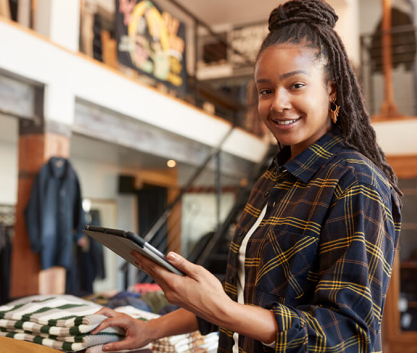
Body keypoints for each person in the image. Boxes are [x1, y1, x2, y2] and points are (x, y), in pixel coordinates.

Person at [92, 1, 403, 352]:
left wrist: (224, 310)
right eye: (266, 90)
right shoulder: (271, 181)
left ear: (332, 89)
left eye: (296, 85)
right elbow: (239, 296)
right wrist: (150, 329)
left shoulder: (355, 182)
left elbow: (347, 334)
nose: (277, 103)